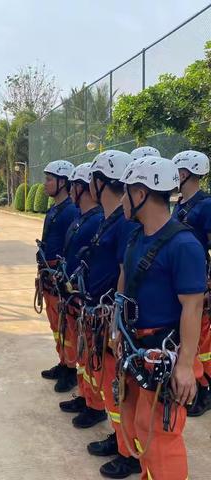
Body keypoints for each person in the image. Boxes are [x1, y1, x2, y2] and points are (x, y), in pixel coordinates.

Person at [118, 156, 206, 479]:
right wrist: (118, 328)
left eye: (127, 191)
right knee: (142, 426)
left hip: (165, 354)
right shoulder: (136, 238)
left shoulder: (183, 244)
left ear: (140, 193)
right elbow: (124, 285)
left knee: (162, 434)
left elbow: (192, 307)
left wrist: (184, 366)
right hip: (138, 349)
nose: (122, 198)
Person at [76, 150, 141, 479]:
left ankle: (129, 452)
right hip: (96, 312)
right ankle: (121, 440)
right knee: (107, 381)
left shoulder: (124, 226)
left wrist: (115, 318)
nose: (88, 184)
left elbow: (123, 274)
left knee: (119, 388)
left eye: (92, 179)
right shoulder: (109, 220)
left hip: (109, 317)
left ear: (101, 182)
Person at [57, 163, 104, 414]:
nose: (71, 190)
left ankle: (95, 405)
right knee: (82, 351)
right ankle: (85, 396)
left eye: (74, 185)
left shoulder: (96, 220)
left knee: (90, 353)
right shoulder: (81, 218)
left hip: (86, 296)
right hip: (74, 294)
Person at [172, 150, 211, 417]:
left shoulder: (206, 205)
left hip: (199, 283)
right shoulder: (181, 203)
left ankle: (205, 389)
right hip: (180, 281)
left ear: (185, 173)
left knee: (202, 341)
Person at [39, 160, 79, 392]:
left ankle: (71, 369)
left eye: (50, 179)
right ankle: (63, 361)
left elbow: (70, 248)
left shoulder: (71, 211)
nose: (45, 184)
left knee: (67, 326)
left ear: (63, 182)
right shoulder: (55, 209)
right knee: (56, 325)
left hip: (59, 277)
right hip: (48, 274)